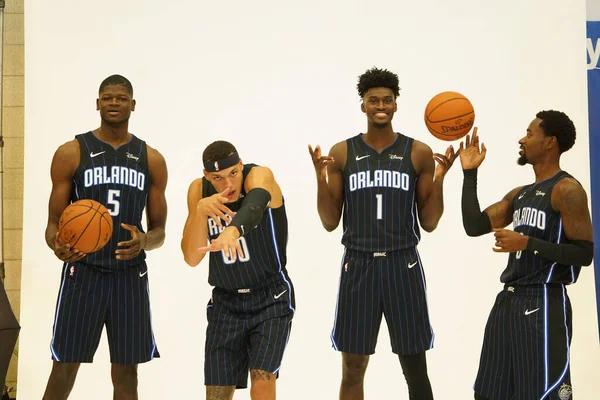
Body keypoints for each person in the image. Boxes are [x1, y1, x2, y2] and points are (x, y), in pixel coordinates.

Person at [308, 67, 456, 400]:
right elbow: (330, 222)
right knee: (353, 367)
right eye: (373, 100)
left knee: (415, 366)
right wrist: (320, 179)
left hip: (402, 262)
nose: (380, 105)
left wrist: (441, 178)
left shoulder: (417, 152)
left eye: (387, 100)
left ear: (396, 105)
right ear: (362, 105)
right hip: (358, 264)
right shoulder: (342, 152)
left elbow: (430, 222)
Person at [42, 74, 168, 400]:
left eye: (121, 98)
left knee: (127, 372)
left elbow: (159, 231)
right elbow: (53, 224)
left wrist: (144, 240)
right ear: (97, 103)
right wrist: (58, 245)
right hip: (83, 273)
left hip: (129, 276)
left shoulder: (150, 158)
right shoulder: (71, 152)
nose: (114, 103)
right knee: (65, 365)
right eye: (108, 97)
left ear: (133, 105)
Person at [459, 111, 594, 400]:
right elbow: (474, 225)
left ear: (550, 143)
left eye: (530, 134)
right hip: (508, 302)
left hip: (544, 302)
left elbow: (584, 253)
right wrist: (470, 174)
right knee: (489, 394)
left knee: (540, 395)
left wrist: (527, 242)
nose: (522, 139)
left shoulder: (567, 190)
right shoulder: (520, 194)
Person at [181, 141, 294, 400]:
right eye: (217, 178)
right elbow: (190, 257)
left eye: (233, 173)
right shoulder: (199, 190)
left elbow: (255, 207)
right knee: (217, 395)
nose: (228, 184)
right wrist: (199, 212)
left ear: (241, 165)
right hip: (226, 302)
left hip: (269, 298)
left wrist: (231, 230)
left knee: (262, 385)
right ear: (206, 175)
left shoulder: (259, 175)